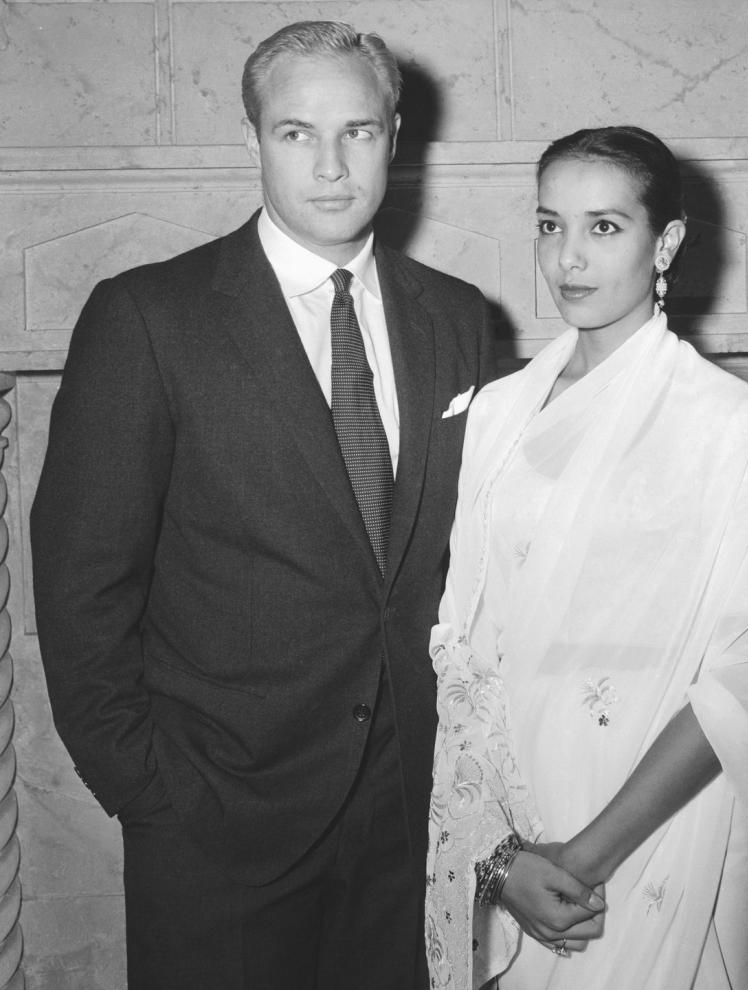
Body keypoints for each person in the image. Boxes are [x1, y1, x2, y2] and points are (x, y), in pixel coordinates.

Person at [31, 20, 496, 990]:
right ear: (252, 140)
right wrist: (152, 795)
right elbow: (82, 588)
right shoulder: (150, 318)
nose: (331, 166)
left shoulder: (458, 320)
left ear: (396, 137)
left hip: (411, 830)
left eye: (358, 132)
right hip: (217, 836)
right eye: (296, 133)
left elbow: (484, 564)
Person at [425, 125, 748, 990]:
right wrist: (497, 855)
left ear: (665, 241)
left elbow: (740, 679)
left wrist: (586, 856)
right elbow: (460, 649)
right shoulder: (496, 416)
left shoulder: (724, 422)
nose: (569, 259)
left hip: (653, 823)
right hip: (508, 820)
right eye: (551, 226)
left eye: (604, 227)